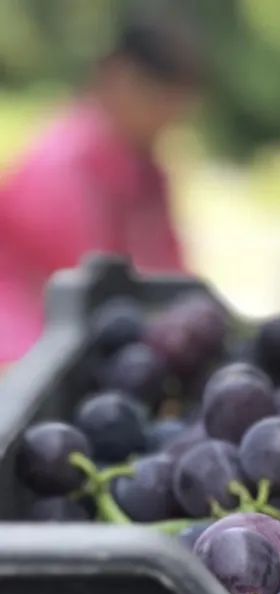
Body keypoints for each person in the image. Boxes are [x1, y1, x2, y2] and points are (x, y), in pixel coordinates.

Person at [0, 8, 202, 363]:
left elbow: (169, 278)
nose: (169, 124)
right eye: (161, 102)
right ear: (119, 78)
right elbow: (100, 299)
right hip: (26, 360)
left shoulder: (146, 172)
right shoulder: (58, 172)